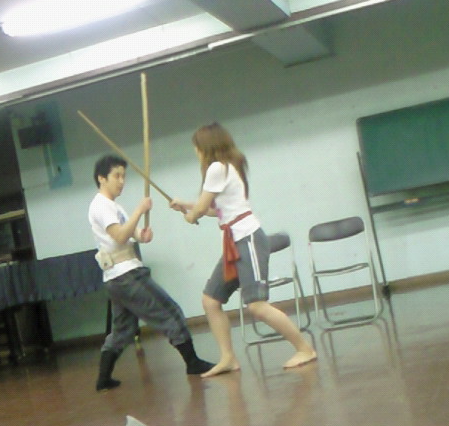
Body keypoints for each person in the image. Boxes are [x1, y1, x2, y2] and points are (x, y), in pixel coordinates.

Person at [170, 123, 317, 377]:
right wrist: (187, 206)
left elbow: (202, 209)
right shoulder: (226, 167)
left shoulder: (216, 168)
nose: (196, 153)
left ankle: (305, 349)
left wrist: (191, 215)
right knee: (211, 301)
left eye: (196, 148)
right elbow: (216, 210)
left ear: (205, 147)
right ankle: (228, 358)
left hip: (247, 239)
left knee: (257, 305)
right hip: (234, 242)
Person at [89, 154, 214, 391]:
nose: (122, 181)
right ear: (101, 178)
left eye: (123, 176)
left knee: (122, 330)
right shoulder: (100, 206)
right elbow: (120, 236)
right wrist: (140, 210)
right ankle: (192, 362)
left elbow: (130, 233)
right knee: (170, 311)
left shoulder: (113, 206)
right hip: (126, 275)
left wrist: (142, 235)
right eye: (116, 176)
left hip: (117, 277)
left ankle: (103, 378)